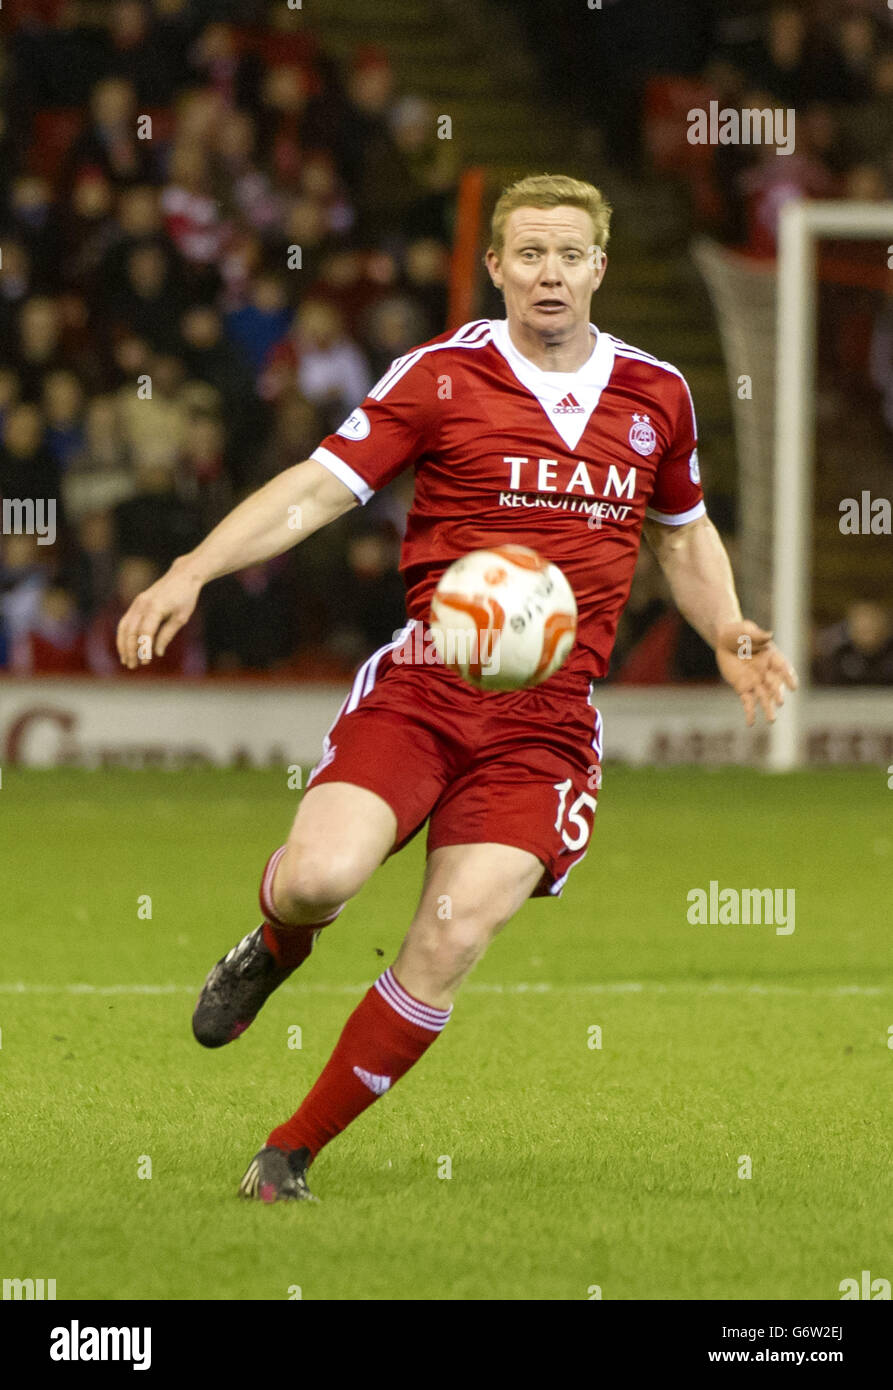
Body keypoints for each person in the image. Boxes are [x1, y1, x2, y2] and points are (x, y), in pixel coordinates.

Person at [116, 174, 797, 1203]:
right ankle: (273, 944)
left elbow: (682, 532)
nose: (549, 273)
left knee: (449, 933)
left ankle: (288, 1152)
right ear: (495, 268)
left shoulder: (655, 395)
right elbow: (316, 486)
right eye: (528, 253)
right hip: (425, 690)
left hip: (546, 728)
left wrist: (727, 626)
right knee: (317, 879)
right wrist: (191, 569)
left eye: (569, 254)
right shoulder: (440, 376)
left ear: (599, 267)